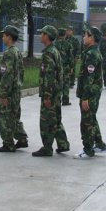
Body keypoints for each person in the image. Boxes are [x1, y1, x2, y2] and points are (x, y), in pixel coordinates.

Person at [32, 25, 70, 157]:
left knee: (46, 121)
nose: (40, 36)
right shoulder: (55, 51)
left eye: (42, 34)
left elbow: (49, 75)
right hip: (56, 92)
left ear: (47, 36)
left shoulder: (48, 53)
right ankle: (63, 144)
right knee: (55, 119)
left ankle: (47, 148)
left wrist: (47, 95)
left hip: (50, 93)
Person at [74, 26, 106, 159]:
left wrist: (85, 98)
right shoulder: (91, 52)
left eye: (86, 35)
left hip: (90, 93)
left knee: (86, 121)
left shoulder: (92, 54)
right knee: (91, 117)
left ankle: (88, 149)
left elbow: (89, 77)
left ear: (92, 37)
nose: (83, 37)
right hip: (93, 92)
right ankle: (99, 144)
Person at [0, 25, 28, 152]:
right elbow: (21, 72)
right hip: (16, 90)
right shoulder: (17, 52)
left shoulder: (9, 53)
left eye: (4, 35)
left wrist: (4, 94)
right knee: (14, 116)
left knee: (5, 117)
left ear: (9, 37)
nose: (2, 38)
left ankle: (8, 143)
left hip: (9, 91)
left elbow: (7, 74)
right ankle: (22, 138)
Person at [55, 28, 73, 105]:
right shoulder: (68, 44)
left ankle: (57, 100)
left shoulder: (54, 44)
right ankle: (65, 100)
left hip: (57, 67)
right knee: (66, 83)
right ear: (65, 34)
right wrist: (71, 67)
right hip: (66, 67)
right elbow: (70, 57)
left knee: (57, 82)